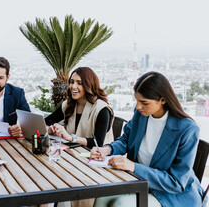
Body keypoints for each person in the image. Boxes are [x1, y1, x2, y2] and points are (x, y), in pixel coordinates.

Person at [91, 71, 206, 207]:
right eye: (137, 101)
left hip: (172, 195)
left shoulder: (187, 129)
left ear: (163, 100)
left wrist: (134, 167)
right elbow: (127, 140)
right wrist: (108, 149)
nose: (138, 106)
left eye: (144, 102)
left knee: (121, 204)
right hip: (141, 183)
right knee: (101, 196)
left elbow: (177, 182)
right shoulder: (141, 115)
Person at [45, 67, 114, 148]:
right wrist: (50, 129)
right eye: (71, 82)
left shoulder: (102, 109)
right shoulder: (68, 104)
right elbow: (46, 122)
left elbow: (98, 142)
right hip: (74, 154)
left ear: (88, 85)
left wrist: (70, 138)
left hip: (95, 157)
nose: (73, 86)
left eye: (79, 83)